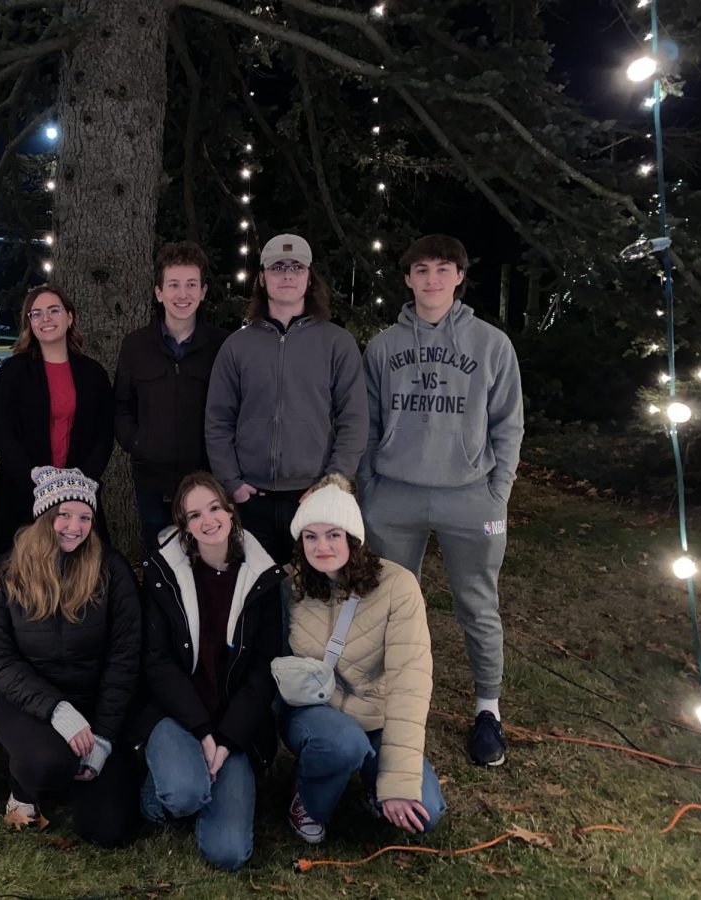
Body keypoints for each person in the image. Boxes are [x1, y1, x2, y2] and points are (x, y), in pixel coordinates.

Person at [358, 234, 523, 767]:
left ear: (459, 277)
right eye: (421, 269)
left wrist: (497, 493)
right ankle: (385, 709)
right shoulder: (382, 346)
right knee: (385, 605)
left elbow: (508, 423)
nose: (432, 279)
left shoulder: (492, 344)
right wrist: (368, 490)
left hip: (469, 497)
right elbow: (366, 423)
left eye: (443, 269)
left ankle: (488, 711)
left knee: (477, 604)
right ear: (407, 279)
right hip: (395, 496)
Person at [0, 467, 141, 847]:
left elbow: (125, 657)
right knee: (48, 762)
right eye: (62, 515)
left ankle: (84, 775)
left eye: (85, 517)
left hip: (95, 699)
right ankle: (26, 785)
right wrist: (56, 710)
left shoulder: (111, 570)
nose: (74, 526)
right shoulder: (6, 572)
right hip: (30, 702)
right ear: (43, 516)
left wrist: (103, 736)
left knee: (110, 831)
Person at [279, 474, 444, 844]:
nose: (322, 546)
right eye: (311, 536)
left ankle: (375, 782)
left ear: (354, 537)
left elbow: (409, 684)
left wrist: (399, 782)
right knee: (342, 744)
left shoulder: (398, 588)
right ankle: (308, 799)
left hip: (375, 718)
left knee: (426, 811)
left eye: (333, 534)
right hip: (314, 713)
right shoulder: (291, 586)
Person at [133, 471, 283, 871]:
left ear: (231, 511)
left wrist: (227, 738)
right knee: (184, 794)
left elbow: (265, 671)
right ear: (184, 526)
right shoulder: (165, 575)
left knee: (229, 853)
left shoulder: (262, 577)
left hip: (235, 724)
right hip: (178, 715)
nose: (208, 520)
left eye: (215, 508)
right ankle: (162, 793)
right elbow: (158, 663)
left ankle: (200, 784)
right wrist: (201, 731)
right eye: (194, 514)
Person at [204, 233, 367, 567]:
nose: (288, 275)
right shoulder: (238, 346)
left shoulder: (337, 342)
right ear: (262, 279)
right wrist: (231, 482)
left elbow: (354, 419)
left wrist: (332, 481)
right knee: (257, 593)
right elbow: (218, 420)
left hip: (313, 494)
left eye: (296, 267)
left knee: (313, 593)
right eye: (278, 267)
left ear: (309, 278)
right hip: (251, 498)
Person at [114, 242, 228, 554]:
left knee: (206, 557)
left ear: (203, 291)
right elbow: (122, 406)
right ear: (159, 292)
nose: (182, 294)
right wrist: (138, 443)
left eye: (191, 285)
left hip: (205, 478)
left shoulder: (221, 346)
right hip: (152, 479)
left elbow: (235, 409)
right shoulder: (136, 346)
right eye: (174, 285)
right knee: (158, 557)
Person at [0, 284, 114, 558]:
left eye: (54, 311)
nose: (46, 319)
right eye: (36, 314)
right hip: (23, 492)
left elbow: (104, 435)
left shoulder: (94, 374)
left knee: (79, 574)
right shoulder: (13, 372)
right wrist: (39, 482)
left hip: (79, 493)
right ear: (29, 323)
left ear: (69, 317)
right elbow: (3, 433)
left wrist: (78, 483)